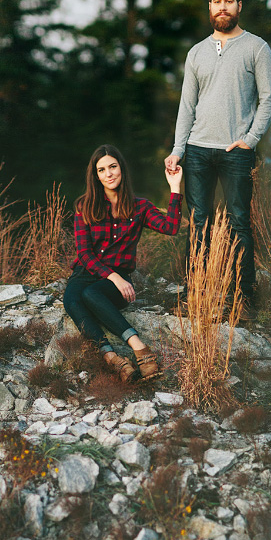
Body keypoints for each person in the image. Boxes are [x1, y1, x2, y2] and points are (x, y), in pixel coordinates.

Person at [164, 0, 271, 311]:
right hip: (198, 150)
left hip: (235, 152)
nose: (222, 7)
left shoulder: (257, 48)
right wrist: (177, 149)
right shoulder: (197, 52)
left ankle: (245, 296)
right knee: (199, 223)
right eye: (216, 1)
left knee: (240, 222)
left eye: (228, 1)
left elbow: (268, 98)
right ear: (209, 6)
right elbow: (187, 105)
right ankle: (196, 289)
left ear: (239, 6)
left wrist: (251, 139)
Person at [63, 144, 183, 382]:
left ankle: (139, 348)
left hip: (112, 284)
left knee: (91, 294)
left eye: (113, 167)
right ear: (95, 176)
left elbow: (171, 227)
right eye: (102, 170)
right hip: (87, 272)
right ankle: (112, 358)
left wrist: (175, 187)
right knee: (72, 298)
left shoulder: (141, 207)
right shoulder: (84, 206)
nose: (108, 174)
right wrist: (114, 276)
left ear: (121, 169)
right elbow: (84, 253)